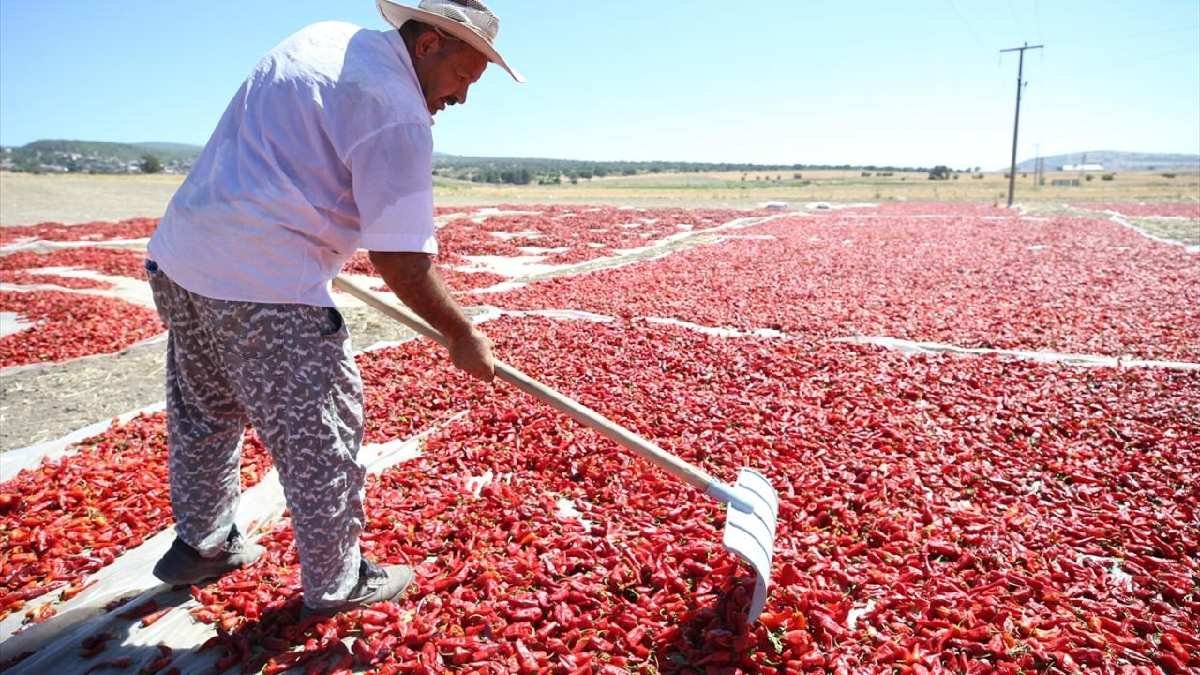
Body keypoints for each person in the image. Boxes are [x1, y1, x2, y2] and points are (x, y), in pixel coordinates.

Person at [144, 0, 523, 614]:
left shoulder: (321, 39)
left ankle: (202, 545)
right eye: (464, 76)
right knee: (322, 434)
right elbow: (401, 260)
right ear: (428, 45)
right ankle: (337, 580)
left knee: (205, 413)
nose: (461, 98)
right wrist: (461, 333)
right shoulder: (396, 110)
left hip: (183, 256)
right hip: (266, 287)